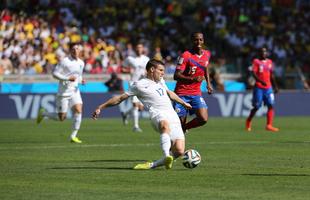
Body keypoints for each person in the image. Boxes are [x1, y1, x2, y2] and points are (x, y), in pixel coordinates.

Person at [92, 59, 192, 170]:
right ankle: (166, 155)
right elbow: (119, 98)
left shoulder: (161, 81)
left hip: (172, 115)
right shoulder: (138, 85)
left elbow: (170, 94)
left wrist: (183, 103)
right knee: (164, 125)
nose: (163, 73)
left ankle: (153, 165)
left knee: (179, 151)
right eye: (161, 70)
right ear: (152, 70)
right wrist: (101, 107)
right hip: (157, 114)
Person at [36, 43, 85, 143]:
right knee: (61, 118)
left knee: (79, 110)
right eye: (73, 49)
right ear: (70, 51)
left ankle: (73, 136)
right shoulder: (65, 61)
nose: (75, 50)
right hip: (64, 92)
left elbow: (78, 76)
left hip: (75, 90)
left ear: (80, 51)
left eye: (77, 49)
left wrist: (81, 80)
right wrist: (67, 78)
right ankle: (44, 113)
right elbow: (55, 74)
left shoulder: (81, 63)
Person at [173, 32, 213, 133]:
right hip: (181, 94)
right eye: (196, 39)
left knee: (203, 118)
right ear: (192, 41)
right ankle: (175, 146)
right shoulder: (186, 55)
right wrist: (193, 79)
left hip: (196, 93)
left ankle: (185, 128)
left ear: (203, 41)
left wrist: (208, 84)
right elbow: (176, 75)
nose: (198, 42)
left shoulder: (207, 54)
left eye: (200, 39)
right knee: (179, 125)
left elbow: (205, 67)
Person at [246, 47, 279, 132]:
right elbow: (253, 73)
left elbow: (272, 75)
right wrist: (261, 81)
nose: (264, 53)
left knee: (271, 105)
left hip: (269, 88)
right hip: (259, 87)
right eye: (262, 52)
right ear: (259, 53)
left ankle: (269, 125)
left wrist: (275, 86)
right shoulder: (256, 61)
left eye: (265, 52)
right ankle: (248, 121)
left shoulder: (270, 62)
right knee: (257, 106)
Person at [121, 42, 150, 132]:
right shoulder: (130, 59)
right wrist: (129, 70)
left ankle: (125, 114)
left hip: (143, 83)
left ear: (143, 49)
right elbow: (122, 68)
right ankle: (136, 126)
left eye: (140, 47)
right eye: (137, 47)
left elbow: (149, 70)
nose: (139, 49)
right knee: (135, 105)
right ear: (135, 49)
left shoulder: (146, 59)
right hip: (133, 83)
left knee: (140, 107)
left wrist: (146, 73)